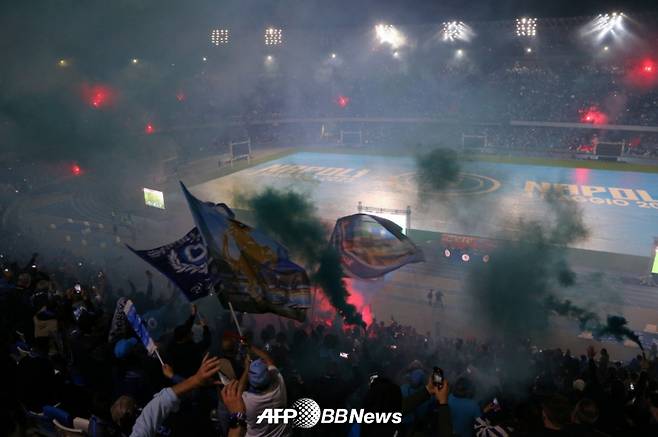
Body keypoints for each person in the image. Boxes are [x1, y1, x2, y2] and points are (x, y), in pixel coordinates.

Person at [111, 353, 222, 437]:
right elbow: (164, 401)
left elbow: (163, 401)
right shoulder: (149, 420)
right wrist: (191, 380)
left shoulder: (147, 423)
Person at [240, 345, 290, 437]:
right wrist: (250, 346)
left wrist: (246, 369)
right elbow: (267, 359)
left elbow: (238, 392)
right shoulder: (279, 385)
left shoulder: (247, 401)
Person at [167, 304, 211, 378]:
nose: (192, 333)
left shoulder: (174, 341)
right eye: (190, 334)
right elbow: (206, 342)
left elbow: (186, 327)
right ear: (184, 338)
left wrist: (193, 315)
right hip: (192, 376)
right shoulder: (189, 350)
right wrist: (205, 328)